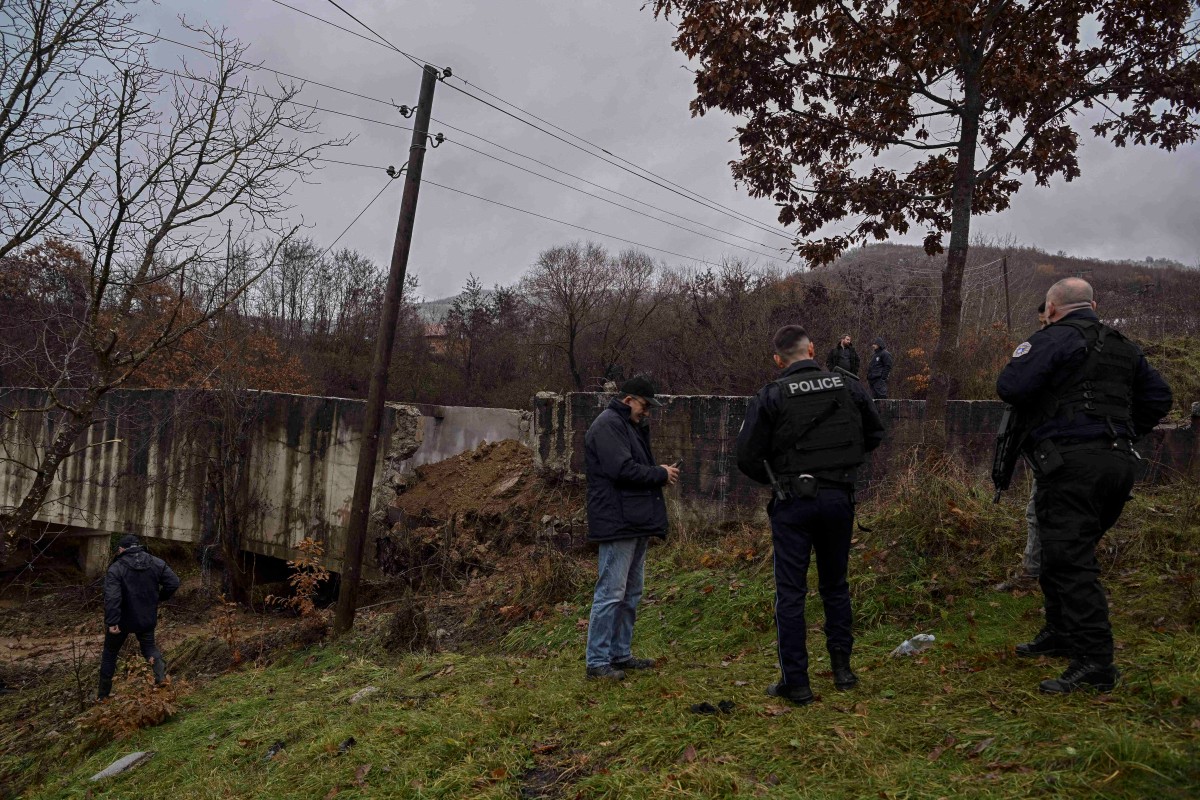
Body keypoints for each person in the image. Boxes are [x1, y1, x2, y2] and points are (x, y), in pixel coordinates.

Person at [997, 278, 1171, 694]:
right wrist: (1121, 432)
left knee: (1071, 561)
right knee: (1062, 553)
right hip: (1117, 463)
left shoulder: (1054, 337)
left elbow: (1011, 387)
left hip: (1072, 465)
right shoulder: (1123, 345)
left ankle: (1095, 662)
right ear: (1094, 304)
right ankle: (1060, 634)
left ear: (1053, 308)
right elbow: (1159, 398)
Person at [736, 325, 885, 704]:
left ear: (777, 359)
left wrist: (778, 480)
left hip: (793, 502)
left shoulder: (771, 395)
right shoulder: (848, 385)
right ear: (813, 350)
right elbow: (874, 433)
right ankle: (843, 672)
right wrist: (839, 468)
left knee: (790, 592)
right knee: (835, 585)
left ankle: (797, 684)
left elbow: (747, 457)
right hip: (839, 498)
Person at [583, 375, 680, 680]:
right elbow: (621, 470)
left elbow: (631, 466)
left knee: (631, 593)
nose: (647, 411)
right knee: (611, 592)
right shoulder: (608, 425)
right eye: (645, 405)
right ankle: (597, 662)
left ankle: (619, 654)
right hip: (617, 521)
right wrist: (659, 473)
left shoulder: (629, 426)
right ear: (628, 400)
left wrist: (656, 472)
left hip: (633, 520)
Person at [98, 534, 181, 700]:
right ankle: (161, 679)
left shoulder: (116, 567)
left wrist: (112, 621)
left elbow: (112, 596)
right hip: (146, 617)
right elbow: (174, 582)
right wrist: (158, 598)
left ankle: (103, 696)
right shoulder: (157, 562)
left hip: (121, 621)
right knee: (149, 649)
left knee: (110, 653)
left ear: (121, 549)